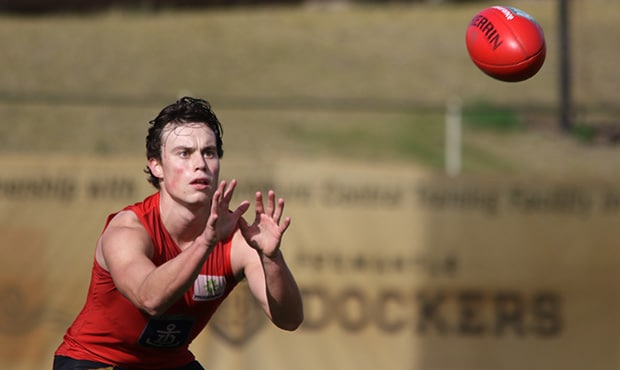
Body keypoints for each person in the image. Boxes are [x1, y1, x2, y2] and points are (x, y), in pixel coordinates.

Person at [54, 96, 304, 370]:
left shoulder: (238, 237)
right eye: (184, 153)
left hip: (170, 363)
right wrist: (206, 242)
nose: (200, 163)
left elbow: (289, 319)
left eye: (209, 152)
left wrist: (271, 258)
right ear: (156, 166)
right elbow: (150, 299)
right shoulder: (128, 229)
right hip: (95, 361)